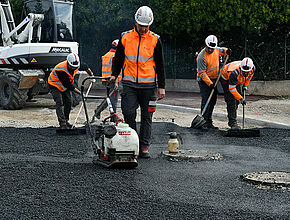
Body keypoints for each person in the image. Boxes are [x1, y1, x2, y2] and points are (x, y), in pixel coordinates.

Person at [109, 6, 166, 158]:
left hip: (149, 86)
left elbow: (160, 64)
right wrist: (114, 75)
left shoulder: (155, 39)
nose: (143, 28)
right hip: (129, 84)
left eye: (146, 26)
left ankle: (144, 146)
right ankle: (133, 143)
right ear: (135, 21)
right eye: (141, 25)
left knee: (147, 117)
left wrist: (161, 87)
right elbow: (119, 58)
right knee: (128, 113)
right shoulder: (125, 37)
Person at [48, 53, 94, 129]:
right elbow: (68, 85)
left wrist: (91, 76)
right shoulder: (61, 69)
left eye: (75, 67)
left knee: (69, 102)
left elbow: (86, 67)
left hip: (64, 86)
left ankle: (66, 120)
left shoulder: (77, 64)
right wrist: (81, 93)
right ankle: (62, 123)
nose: (73, 68)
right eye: (72, 67)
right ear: (68, 63)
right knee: (60, 102)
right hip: (54, 85)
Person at [196, 35, 231, 129]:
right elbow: (202, 73)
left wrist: (227, 50)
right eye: (209, 48)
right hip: (204, 81)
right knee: (206, 100)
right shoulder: (201, 57)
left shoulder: (216, 49)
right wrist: (210, 84)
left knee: (212, 101)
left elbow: (221, 50)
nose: (211, 50)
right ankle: (203, 121)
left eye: (212, 48)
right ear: (206, 45)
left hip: (215, 78)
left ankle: (209, 121)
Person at [221, 57, 255, 129]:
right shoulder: (234, 73)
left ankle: (232, 114)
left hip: (237, 79)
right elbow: (232, 89)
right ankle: (232, 123)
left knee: (236, 101)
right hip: (226, 78)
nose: (246, 73)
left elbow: (249, 77)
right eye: (244, 71)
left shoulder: (252, 69)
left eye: (247, 72)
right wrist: (241, 98)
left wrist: (245, 85)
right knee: (231, 101)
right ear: (241, 68)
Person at [95, 39, 121, 122]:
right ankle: (113, 118)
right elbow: (114, 70)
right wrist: (116, 81)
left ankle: (98, 110)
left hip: (106, 79)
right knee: (114, 100)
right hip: (112, 80)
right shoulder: (115, 56)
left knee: (109, 98)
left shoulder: (106, 55)